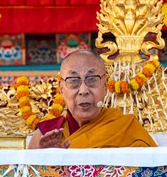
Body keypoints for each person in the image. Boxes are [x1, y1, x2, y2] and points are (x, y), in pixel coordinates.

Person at [28, 49, 156, 149]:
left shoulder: (126, 129)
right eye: (73, 81)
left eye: (91, 79)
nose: (83, 91)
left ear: (105, 85)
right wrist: (47, 160)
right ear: (61, 89)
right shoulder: (44, 135)